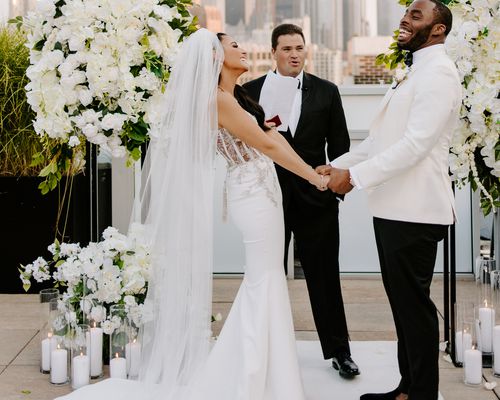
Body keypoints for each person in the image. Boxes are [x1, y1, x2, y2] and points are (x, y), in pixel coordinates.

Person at [56, 29, 329, 400]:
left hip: (264, 188)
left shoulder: (237, 97)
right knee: (263, 278)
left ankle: (267, 372)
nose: (243, 49)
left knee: (267, 277)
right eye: (234, 46)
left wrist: (312, 171)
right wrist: (314, 178)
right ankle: (252, 375)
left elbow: (271, 136)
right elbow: (264, 143)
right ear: (216, 58)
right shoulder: (217, 100)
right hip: (252, 192)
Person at [317, 1, 461, 399]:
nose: (405, 19)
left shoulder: (440, 74)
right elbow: (383, 142)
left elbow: (415, 146)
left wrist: (355, 178)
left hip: (415, 210)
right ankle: (407, 388)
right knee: (403, 306)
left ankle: (422, 394)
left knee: (414, 308)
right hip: (394, 208)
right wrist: (335, 166)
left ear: (438, 30)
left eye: (416, 15)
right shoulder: (417, 72)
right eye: (406, 13)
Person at [243, 24, 359, 379]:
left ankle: (340, 351)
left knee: (324, 275)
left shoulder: (327, 91)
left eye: (299, 48)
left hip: (316, 198)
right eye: (287, 48)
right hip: (268, 197)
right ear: (274, 52)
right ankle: (261, 351)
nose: (295, 54)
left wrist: (338, 188)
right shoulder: (250, 92)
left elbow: (339, 147)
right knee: (266, 274)